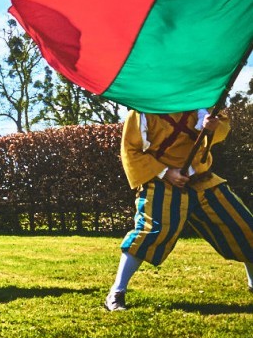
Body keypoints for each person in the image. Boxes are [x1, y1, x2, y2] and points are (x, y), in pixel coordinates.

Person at [104, 108, 253, 311]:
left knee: (244, 226)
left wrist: (212, 127)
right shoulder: (142, 112)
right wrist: (165, 173)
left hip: (203, 179)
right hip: (161, 183)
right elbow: (131, 150)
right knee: (151, 232)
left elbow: (221, 127)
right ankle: (117, 292)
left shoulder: (203, 102)